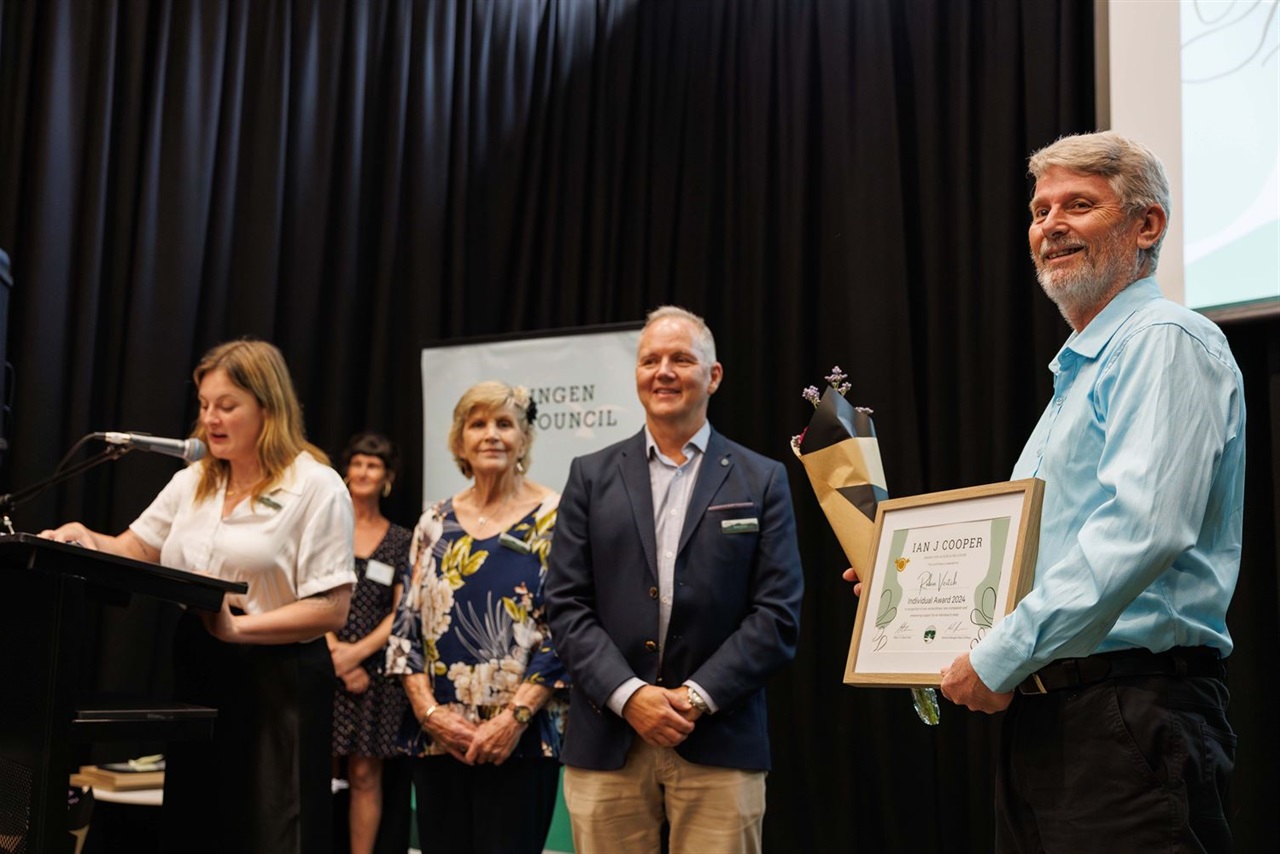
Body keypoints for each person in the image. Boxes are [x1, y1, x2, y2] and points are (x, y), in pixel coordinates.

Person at [934, 131, 1246, 852]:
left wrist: (998, 653)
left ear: (1147, 225)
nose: (1051, 225)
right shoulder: (1076, 378)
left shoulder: (1162, 340)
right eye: (1041, 210)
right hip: (1056, 717)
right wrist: (921, 594)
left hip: (1130, 716)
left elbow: (1142, 529)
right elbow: (1036, 562)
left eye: (1079, 205)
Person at [41, 339, 356, 854]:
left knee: (272, 829)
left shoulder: (317, 486)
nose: (211, 418)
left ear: (268, 407)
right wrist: (86, 538)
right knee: (198, 820)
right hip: (200, 662)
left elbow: (330, 608)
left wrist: (240, 629)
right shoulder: (193, 481)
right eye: (204, 404)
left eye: (227, 405)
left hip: (279, 675)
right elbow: (134, 548)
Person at [545, 305, 805, 854]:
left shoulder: (763, 479)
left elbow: (777, 616)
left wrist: (694, 697)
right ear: (637, 374)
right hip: (606, 738)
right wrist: (630, 694)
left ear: (712, 376)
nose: (663, 371)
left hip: (721, 736)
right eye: (650, 360)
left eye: (681, 359)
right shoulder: (589, 476)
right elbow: (566, 606)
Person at [385, 381, 568, 854]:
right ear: (459, 440)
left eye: (505, 424)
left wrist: (511, 721)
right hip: (438, 741)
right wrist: (432, 717)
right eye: (478, 423)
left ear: (524, 439)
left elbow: (565, 632)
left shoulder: (556, 516)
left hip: (520, 741)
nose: (491, 435)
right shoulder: (432, 521)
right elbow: (406, 631)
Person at [329, 432, 412, 854]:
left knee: (365, 776)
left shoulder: (401, 539)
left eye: (373, 465)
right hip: (320, 662)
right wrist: (334, 655)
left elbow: (402, 611)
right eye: (357, 463)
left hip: (374, 674)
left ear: (387, 478)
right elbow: (302, 589)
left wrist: (356, 656)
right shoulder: (325, 526)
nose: (363, 472)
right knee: (311, 771)